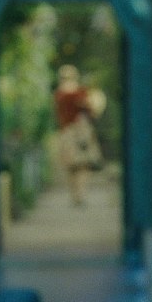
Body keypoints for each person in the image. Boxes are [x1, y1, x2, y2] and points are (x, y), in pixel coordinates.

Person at [53, 64, 104, 206]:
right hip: (81, 131)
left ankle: (74, 194)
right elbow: (91, 110)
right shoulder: (80, 92)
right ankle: (80, 194)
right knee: (83, 165)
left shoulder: (58, 94)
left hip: (66, 132)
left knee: (70, 166)